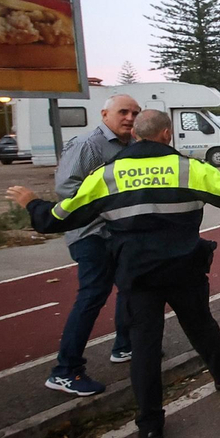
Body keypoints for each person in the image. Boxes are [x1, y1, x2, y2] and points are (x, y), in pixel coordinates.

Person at [7, 109, 220, 438]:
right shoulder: (188, 168)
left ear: (135, 135)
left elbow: (61, 216)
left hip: (137, 275)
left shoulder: (107, 175)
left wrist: (33, 204)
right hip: (184, 269)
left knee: (144, 348)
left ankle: (150, 426)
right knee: (200, 325)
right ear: (166, 134)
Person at [45, 94, 140, 397]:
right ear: (105, 114)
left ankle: (124, 347)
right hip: (90, 234)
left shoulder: (131, 147)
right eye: (123, 112)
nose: (129, 118)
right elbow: (66, 188)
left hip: (118, 233)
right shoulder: (88, 145)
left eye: (135, 113)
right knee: (92, 296)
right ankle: (65, 370)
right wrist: (110, 207)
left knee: (131, 287)